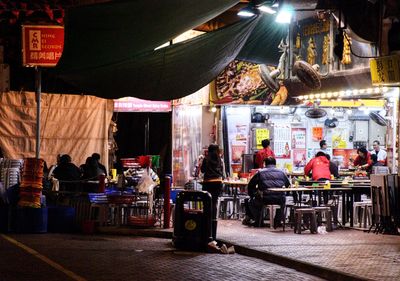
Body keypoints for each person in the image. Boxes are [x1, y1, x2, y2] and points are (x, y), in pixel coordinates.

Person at [243, 157, 290, 227]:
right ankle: (277, 222)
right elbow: (288, 185)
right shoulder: (282, 173)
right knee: (282, 202)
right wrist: (285, 194)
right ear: (275, 164)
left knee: (251, 201)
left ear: (265, 164)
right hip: (279, 198)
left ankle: (259, 221)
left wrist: (252, 194)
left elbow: (251, 185)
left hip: (265, 198)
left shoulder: (260, 172)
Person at [201, 144, 224, 241]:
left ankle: (207, 221)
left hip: (208, 182)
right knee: (214, 202)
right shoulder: (220, 160)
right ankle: (213, 220)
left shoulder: (206, 159)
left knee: (207, 202)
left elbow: (202, 170)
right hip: (218, 182)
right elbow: (222, 172)